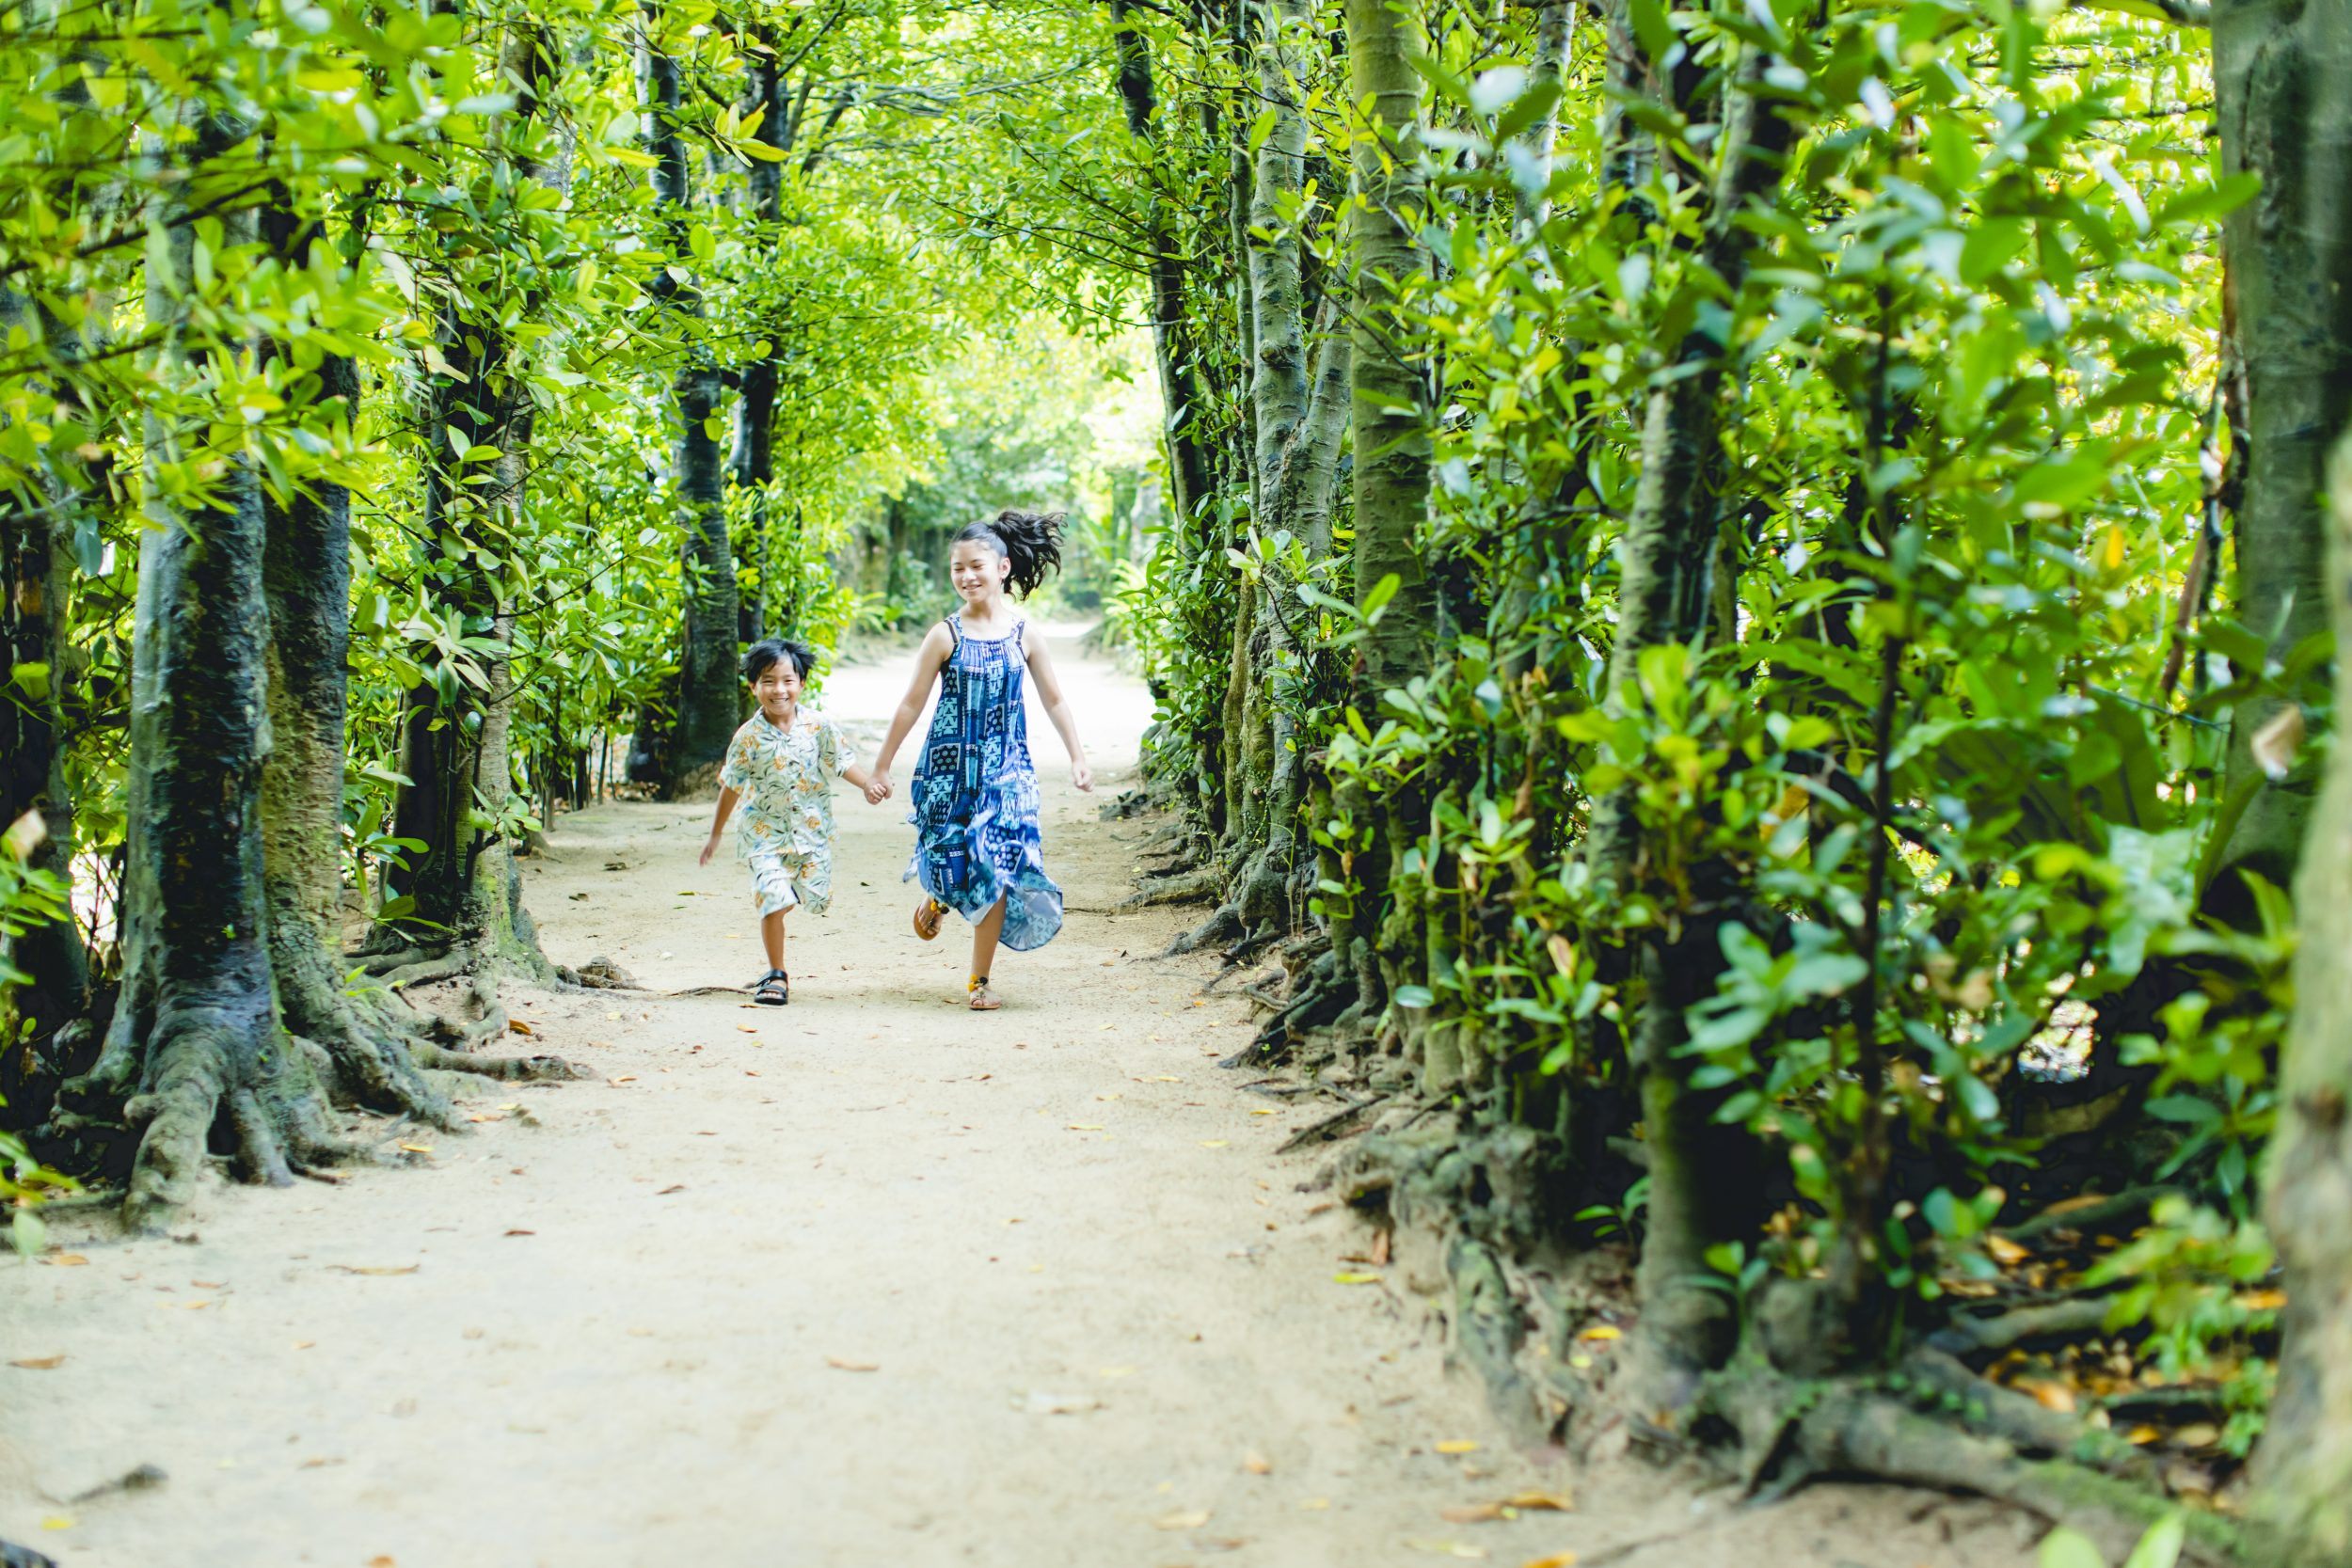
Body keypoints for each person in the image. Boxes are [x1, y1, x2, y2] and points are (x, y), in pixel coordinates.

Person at [869, 510, 1092, 1011]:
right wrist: (882, 766)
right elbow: (911, 703)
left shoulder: (1024, 635)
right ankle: (939, 896)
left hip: (1007, 772)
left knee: (996, 868)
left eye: (977, 566)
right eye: (957, 568)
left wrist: (1077, 757)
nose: (967, 576)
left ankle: (979, 982)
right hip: (948, 772)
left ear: (1003, 568)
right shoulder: (944, 635)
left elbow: (1055, 700)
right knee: (951, 863)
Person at [700, 638, 885, 1005]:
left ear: (801, 683)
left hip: (811, 834)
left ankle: (785, 903)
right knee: (772, 896)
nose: (778, 689)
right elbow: (732, 787)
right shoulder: (747, 738)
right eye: (768, 680)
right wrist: (715, 834)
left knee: (815, 899)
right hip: (763, 835)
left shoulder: (818, 726)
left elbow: (842, 761)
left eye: (787, 680)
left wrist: (868, 785)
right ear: (753, 686)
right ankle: (776, 974)